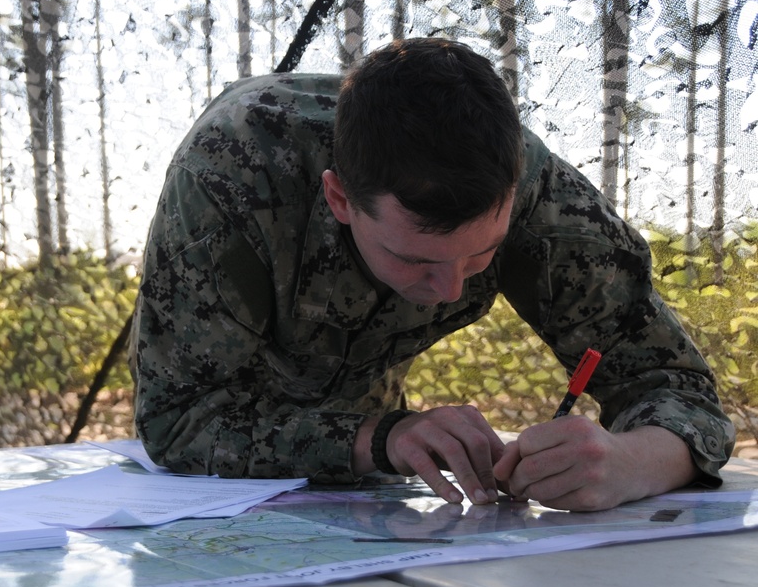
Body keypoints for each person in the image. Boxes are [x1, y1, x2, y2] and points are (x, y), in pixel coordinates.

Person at [129, 37, 734, 512]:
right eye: (416, 260)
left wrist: (632, 460)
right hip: (207, 496)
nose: (451, 290)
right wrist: (379, 437)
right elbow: (177, 418)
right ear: (340, 200)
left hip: (356, 496)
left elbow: (678, 391)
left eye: (481, 257)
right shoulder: (234, 173)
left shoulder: (545, 203)